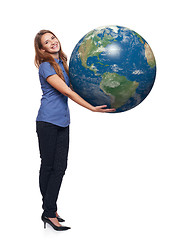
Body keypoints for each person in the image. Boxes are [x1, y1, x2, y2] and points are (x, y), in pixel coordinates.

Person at [34, 29, 116, 231]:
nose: (53, 42)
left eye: (53, 37)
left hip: (63, 121)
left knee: (59, 167)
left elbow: (77, 87)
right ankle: (49, 211)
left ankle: (49, 209)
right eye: (47, 41)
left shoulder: (62, 63)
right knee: (49, 166)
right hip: (47, 122)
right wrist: (92, 108)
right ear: (42, 48)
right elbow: (68, 92)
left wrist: (100, 93)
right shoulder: (46, 67)